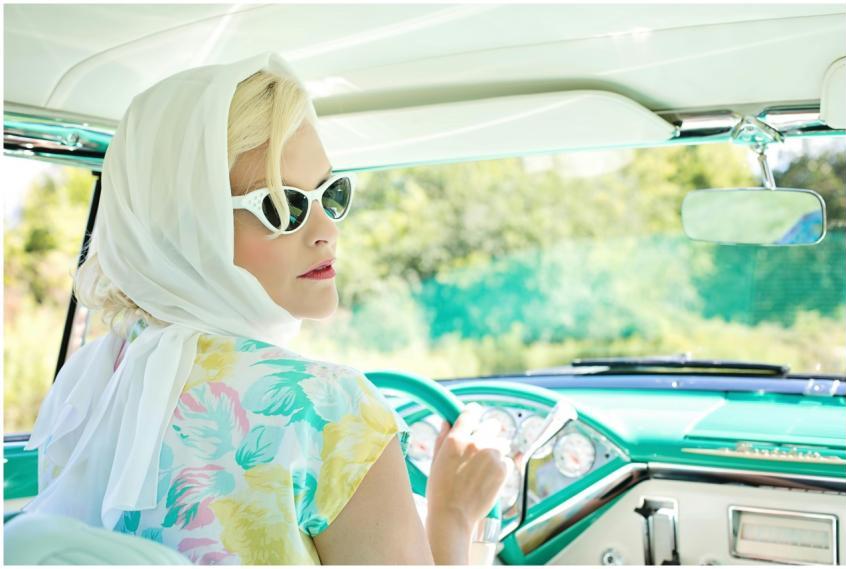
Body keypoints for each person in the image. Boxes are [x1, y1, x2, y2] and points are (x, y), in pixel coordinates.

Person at [22, 52, 508, 564]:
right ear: (191, 227)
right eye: (281, 206)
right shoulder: (329, 407)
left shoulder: (89, 381)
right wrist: (454, 518)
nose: (327, 231)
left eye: (331, 193)